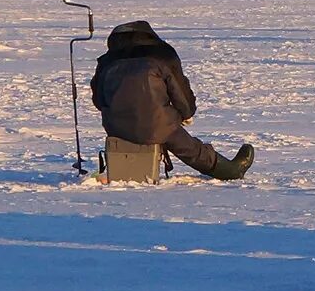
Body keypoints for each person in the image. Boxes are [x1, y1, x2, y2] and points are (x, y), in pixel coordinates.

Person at [92, 21, 253, 180]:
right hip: (158, 124)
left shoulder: (107, 61)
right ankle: (229, 171)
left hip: (115, 127)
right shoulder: (162, 55)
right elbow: (179, 90)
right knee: (186, 145)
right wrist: (186, 113)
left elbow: (98, 99)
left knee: (158, 127)